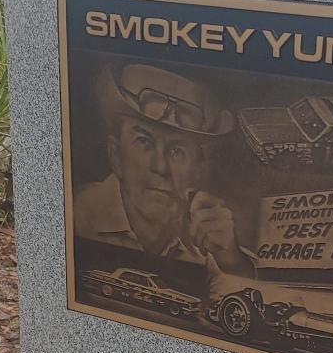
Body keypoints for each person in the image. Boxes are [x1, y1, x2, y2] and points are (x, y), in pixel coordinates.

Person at [73, 62, 255, 288]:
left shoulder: (209, 244)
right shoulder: (76, 216)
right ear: (115, 155)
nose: (160, 167)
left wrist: (233, 262)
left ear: (198, 172)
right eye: (144, 142)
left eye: (177, 150)